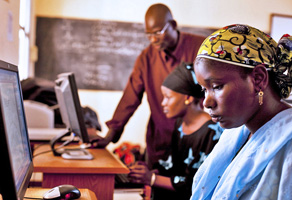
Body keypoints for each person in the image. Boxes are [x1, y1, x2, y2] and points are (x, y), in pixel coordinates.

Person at [94, 3, 205, 169]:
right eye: (148, 34)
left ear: (173, 25)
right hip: (161, 143)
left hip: (197, 142)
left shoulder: (200, 48)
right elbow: (130, 97)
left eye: (157, 32)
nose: (153, 39)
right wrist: (110, 135)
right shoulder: (147, 57)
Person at [190, 24, 292, 200]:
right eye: (204, 89)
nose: (207, 102)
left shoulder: (288, 148)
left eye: (216, 87)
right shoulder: (236, 135)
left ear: (258, 79)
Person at [128, 62, 223, 200]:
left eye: (168, 97)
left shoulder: (212, 132)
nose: (163, 103)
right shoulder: (181, 124)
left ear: (188, 98)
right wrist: (148, 171)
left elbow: (196, 184)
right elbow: (171, 165)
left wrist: (152, 178)